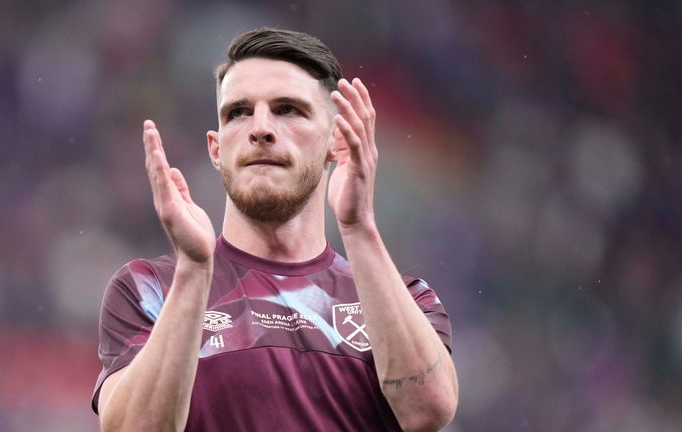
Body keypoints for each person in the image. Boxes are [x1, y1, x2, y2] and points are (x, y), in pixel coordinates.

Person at [92, 27, 458, 431]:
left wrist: (358, 227)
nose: (260, 128)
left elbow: (429, 411)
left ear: (337, 141)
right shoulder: (150, 289)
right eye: (238, 112)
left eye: (288, 109)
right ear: (216, 149)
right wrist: (195, 271)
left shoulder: (405, 298)